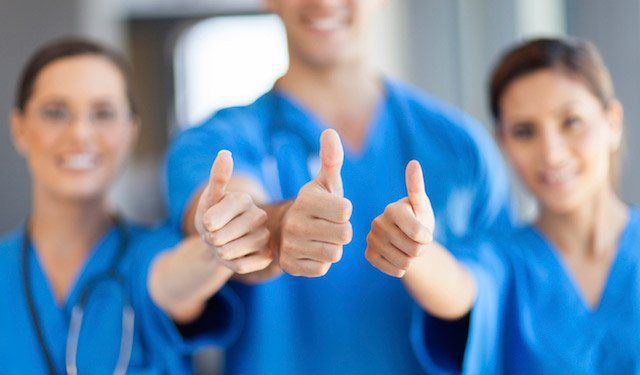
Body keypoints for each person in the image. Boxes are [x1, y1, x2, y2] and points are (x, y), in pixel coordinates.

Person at [166, 0, 513, 373]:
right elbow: (232, 208)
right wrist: (277, 227)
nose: (325, 2)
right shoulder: (210, 144)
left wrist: (420, 256)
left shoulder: (461, 149)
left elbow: (495, 296)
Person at [365, 37, 639, 373]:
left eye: (571, 122)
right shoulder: (503, 262)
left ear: (612, 122)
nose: (551, 153)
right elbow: (460, 287)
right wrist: (415, 248)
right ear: (503, 144)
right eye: (525, 131)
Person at [0, 38, 272, 373]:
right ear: (19, 129)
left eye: (103, 113)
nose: (80, 134)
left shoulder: (154, 251)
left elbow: (174, 279)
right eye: (55, 112)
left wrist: (218, 246)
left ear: (131, 131)